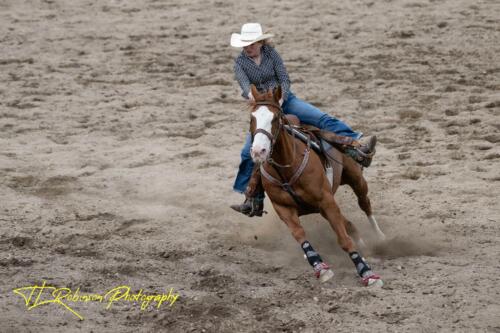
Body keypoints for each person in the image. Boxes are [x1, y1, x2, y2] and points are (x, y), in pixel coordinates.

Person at [229, 23, 376, 217]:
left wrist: (280, 98)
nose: (247, 48)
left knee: (322, 118)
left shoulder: (271, 54)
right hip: (264, 109)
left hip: (285, 101)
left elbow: (284, 78)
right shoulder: (240, 63)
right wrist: (255, 98)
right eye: (245, 44)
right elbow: (245, 85)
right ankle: (251, 198)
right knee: (248, 152)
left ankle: (357, 146)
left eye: (251, 44)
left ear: (260, 42)